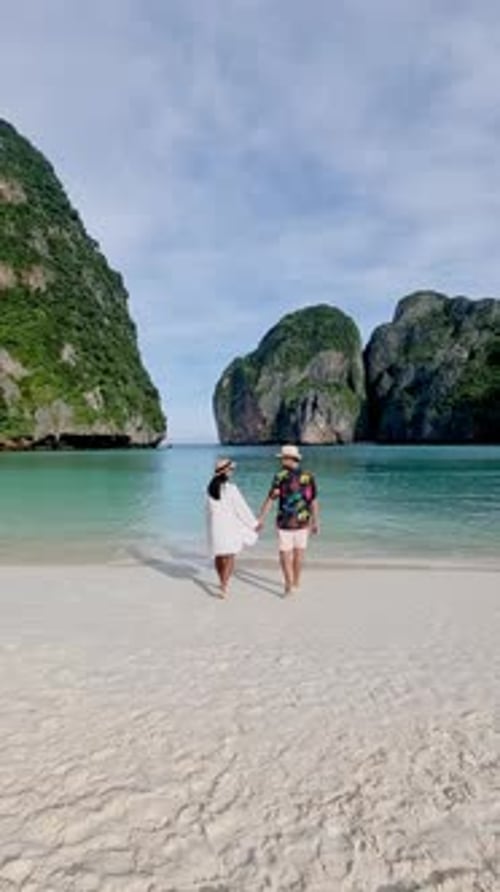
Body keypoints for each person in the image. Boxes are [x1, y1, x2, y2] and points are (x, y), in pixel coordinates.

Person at [256, 444, 319, 595]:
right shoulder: (308, 476)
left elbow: (271, 498)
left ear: (290, 459)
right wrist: (315, 521)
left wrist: (261, 518)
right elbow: (313, 500)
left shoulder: (280, 476)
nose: (281, 461)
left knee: (286, 553)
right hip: (302, 521)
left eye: (283, 458)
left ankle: (289, 584)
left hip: (285, 522)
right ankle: (295, 582)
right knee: (298, 553)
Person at [206, 457, 258, 598]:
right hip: (229, 526)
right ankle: (224, 585)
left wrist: (209, 529)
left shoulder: (209, 489)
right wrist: (254, 524)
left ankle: (221, 582)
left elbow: (208, 511)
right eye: (230, 469)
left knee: (219, 555)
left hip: (216, 526)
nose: (232, 472)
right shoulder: (231, 489)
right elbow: (242, 508)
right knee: (230, 555)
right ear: (225, 471)